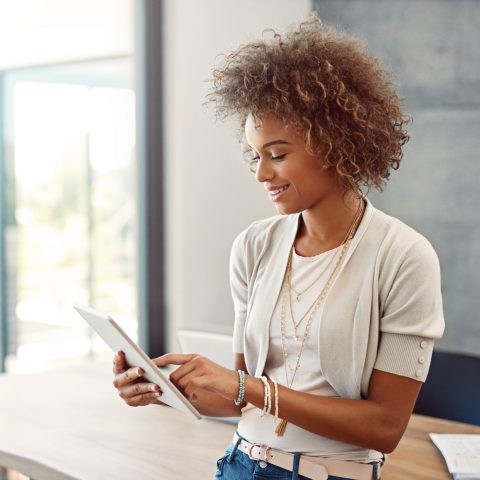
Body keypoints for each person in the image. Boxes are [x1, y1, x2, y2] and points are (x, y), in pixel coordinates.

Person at [112, 14, 445, 480]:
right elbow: (237, 398)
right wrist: (170, 389)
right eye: (255, 155)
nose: (261, 175)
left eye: (278, 154)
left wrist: (246, 387)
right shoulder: (254, 246)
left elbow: (385, 426)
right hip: (240, 465)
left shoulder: (403, 257)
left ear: (335, 142)